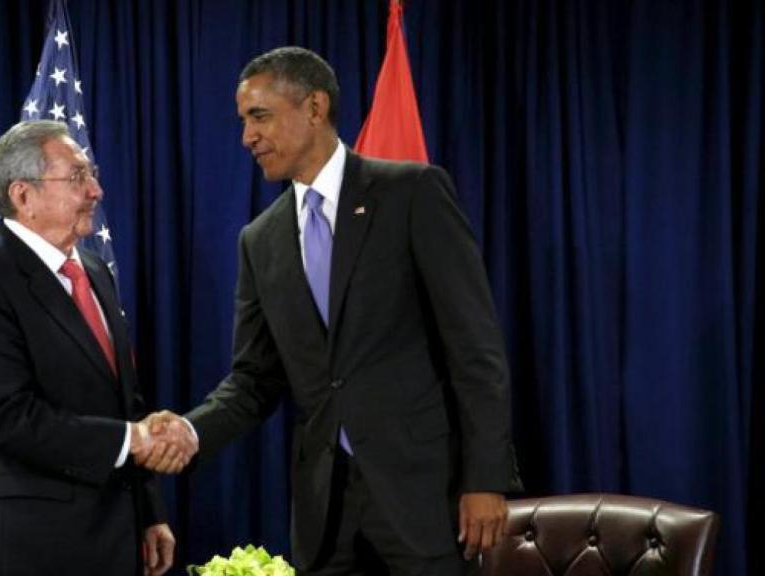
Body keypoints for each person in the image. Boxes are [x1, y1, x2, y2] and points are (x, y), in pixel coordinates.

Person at [149, 46, 522, 575]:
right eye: (243, 121)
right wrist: (191, 432)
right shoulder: (260, 240)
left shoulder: (410, 193)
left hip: (424, 498)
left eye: (260, 116)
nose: (247, 137)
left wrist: (485, 478)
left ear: (315, 107)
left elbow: (474, 347)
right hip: (325, 515)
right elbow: (255, 379)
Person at [0, 120, 188, 576]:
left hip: (114, 537)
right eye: (77, 177)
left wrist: (149, 511)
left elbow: (125, 403)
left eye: (91, 174)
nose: (96, 190)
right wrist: (134, 440)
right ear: (23, 196)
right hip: (30, 550)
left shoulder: (94, 270)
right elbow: (6, 417)